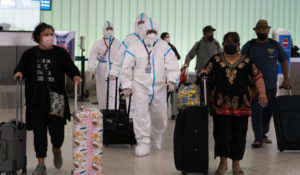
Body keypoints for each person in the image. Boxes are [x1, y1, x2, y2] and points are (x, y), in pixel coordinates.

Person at [13, 22, 81, 175]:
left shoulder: (60, 53)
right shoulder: (30, 54)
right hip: (36, 102)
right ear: (38, 37)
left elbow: (71, 67)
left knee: (57, 134)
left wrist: (76, 75)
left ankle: (57, 149)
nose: (50, 37)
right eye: (46, 35)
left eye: (51, 34)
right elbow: (20, 67)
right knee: (39, 133)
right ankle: (41, 163)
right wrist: (19, 73)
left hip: (56, 101)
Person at [200, 32, 267, 175]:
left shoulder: (248, 61)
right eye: (227, 44)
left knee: (239, 135)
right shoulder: (216, 60)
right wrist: (203, 74)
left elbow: (258, 78)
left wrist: (262, 93)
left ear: (238, 45)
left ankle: (236, 165)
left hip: (242, 106)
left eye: (233, 44)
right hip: (220, 105)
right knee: (221, 135)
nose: (230, 46)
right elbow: (205, 71)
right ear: (223, 44)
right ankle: (223, 163)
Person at [119, 17, 180, 157]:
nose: (151, 33)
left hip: (159, 88)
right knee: (141, 115)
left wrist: (171, 80)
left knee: (159, 115)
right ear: (143, 31)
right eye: (149, 31)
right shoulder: (134, 47)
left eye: (153, 31)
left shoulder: (163, 46)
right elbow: (126, 67)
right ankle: (143, 142)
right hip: (140, 86)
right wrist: (127, 85)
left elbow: (172, 63)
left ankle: (156, 136)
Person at [241, 19, 291, 148]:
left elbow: (284, 61)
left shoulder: (274, 45)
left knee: (268, 111)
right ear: (256, 31)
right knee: (256, 111)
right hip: (254, 86)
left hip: (271, 85)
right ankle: (258, 138)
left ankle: (263, 134)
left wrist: (286, 79)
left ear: (268, 30)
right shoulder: (250, 45)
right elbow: (241, 62)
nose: (262, 31)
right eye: (260, 29)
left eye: (265, 29)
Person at [88, 21, 121, 110]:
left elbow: (123, 57)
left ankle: (113, 111)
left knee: (114, 92)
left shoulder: (119, 43)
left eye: (111, 29)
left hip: (115, 69)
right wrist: (92, 68)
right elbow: (92, 55)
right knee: (102, 91)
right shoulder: (98, 43)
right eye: (107, 29)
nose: (109, 31)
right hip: (102, 69)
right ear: (103, 30)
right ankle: (103, 110)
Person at [109, 13, 148, 79]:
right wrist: (114, 71)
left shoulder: (153, 39)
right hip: (132, 74)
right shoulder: (129, 39)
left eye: (143, 22)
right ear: (136, 24)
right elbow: (120, 55)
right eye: (140, 22)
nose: (141, 25)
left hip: (148, 74)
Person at [161, 32, 181, 120]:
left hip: (172, 73)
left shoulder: (172, 47)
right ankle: (162, 114)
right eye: (166, 37)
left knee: (174, 96)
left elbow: (178, 56)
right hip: (163, 74)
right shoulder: (159, 47)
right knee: (164, 96)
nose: (168, 38)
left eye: (169, 37)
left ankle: (174, 114)